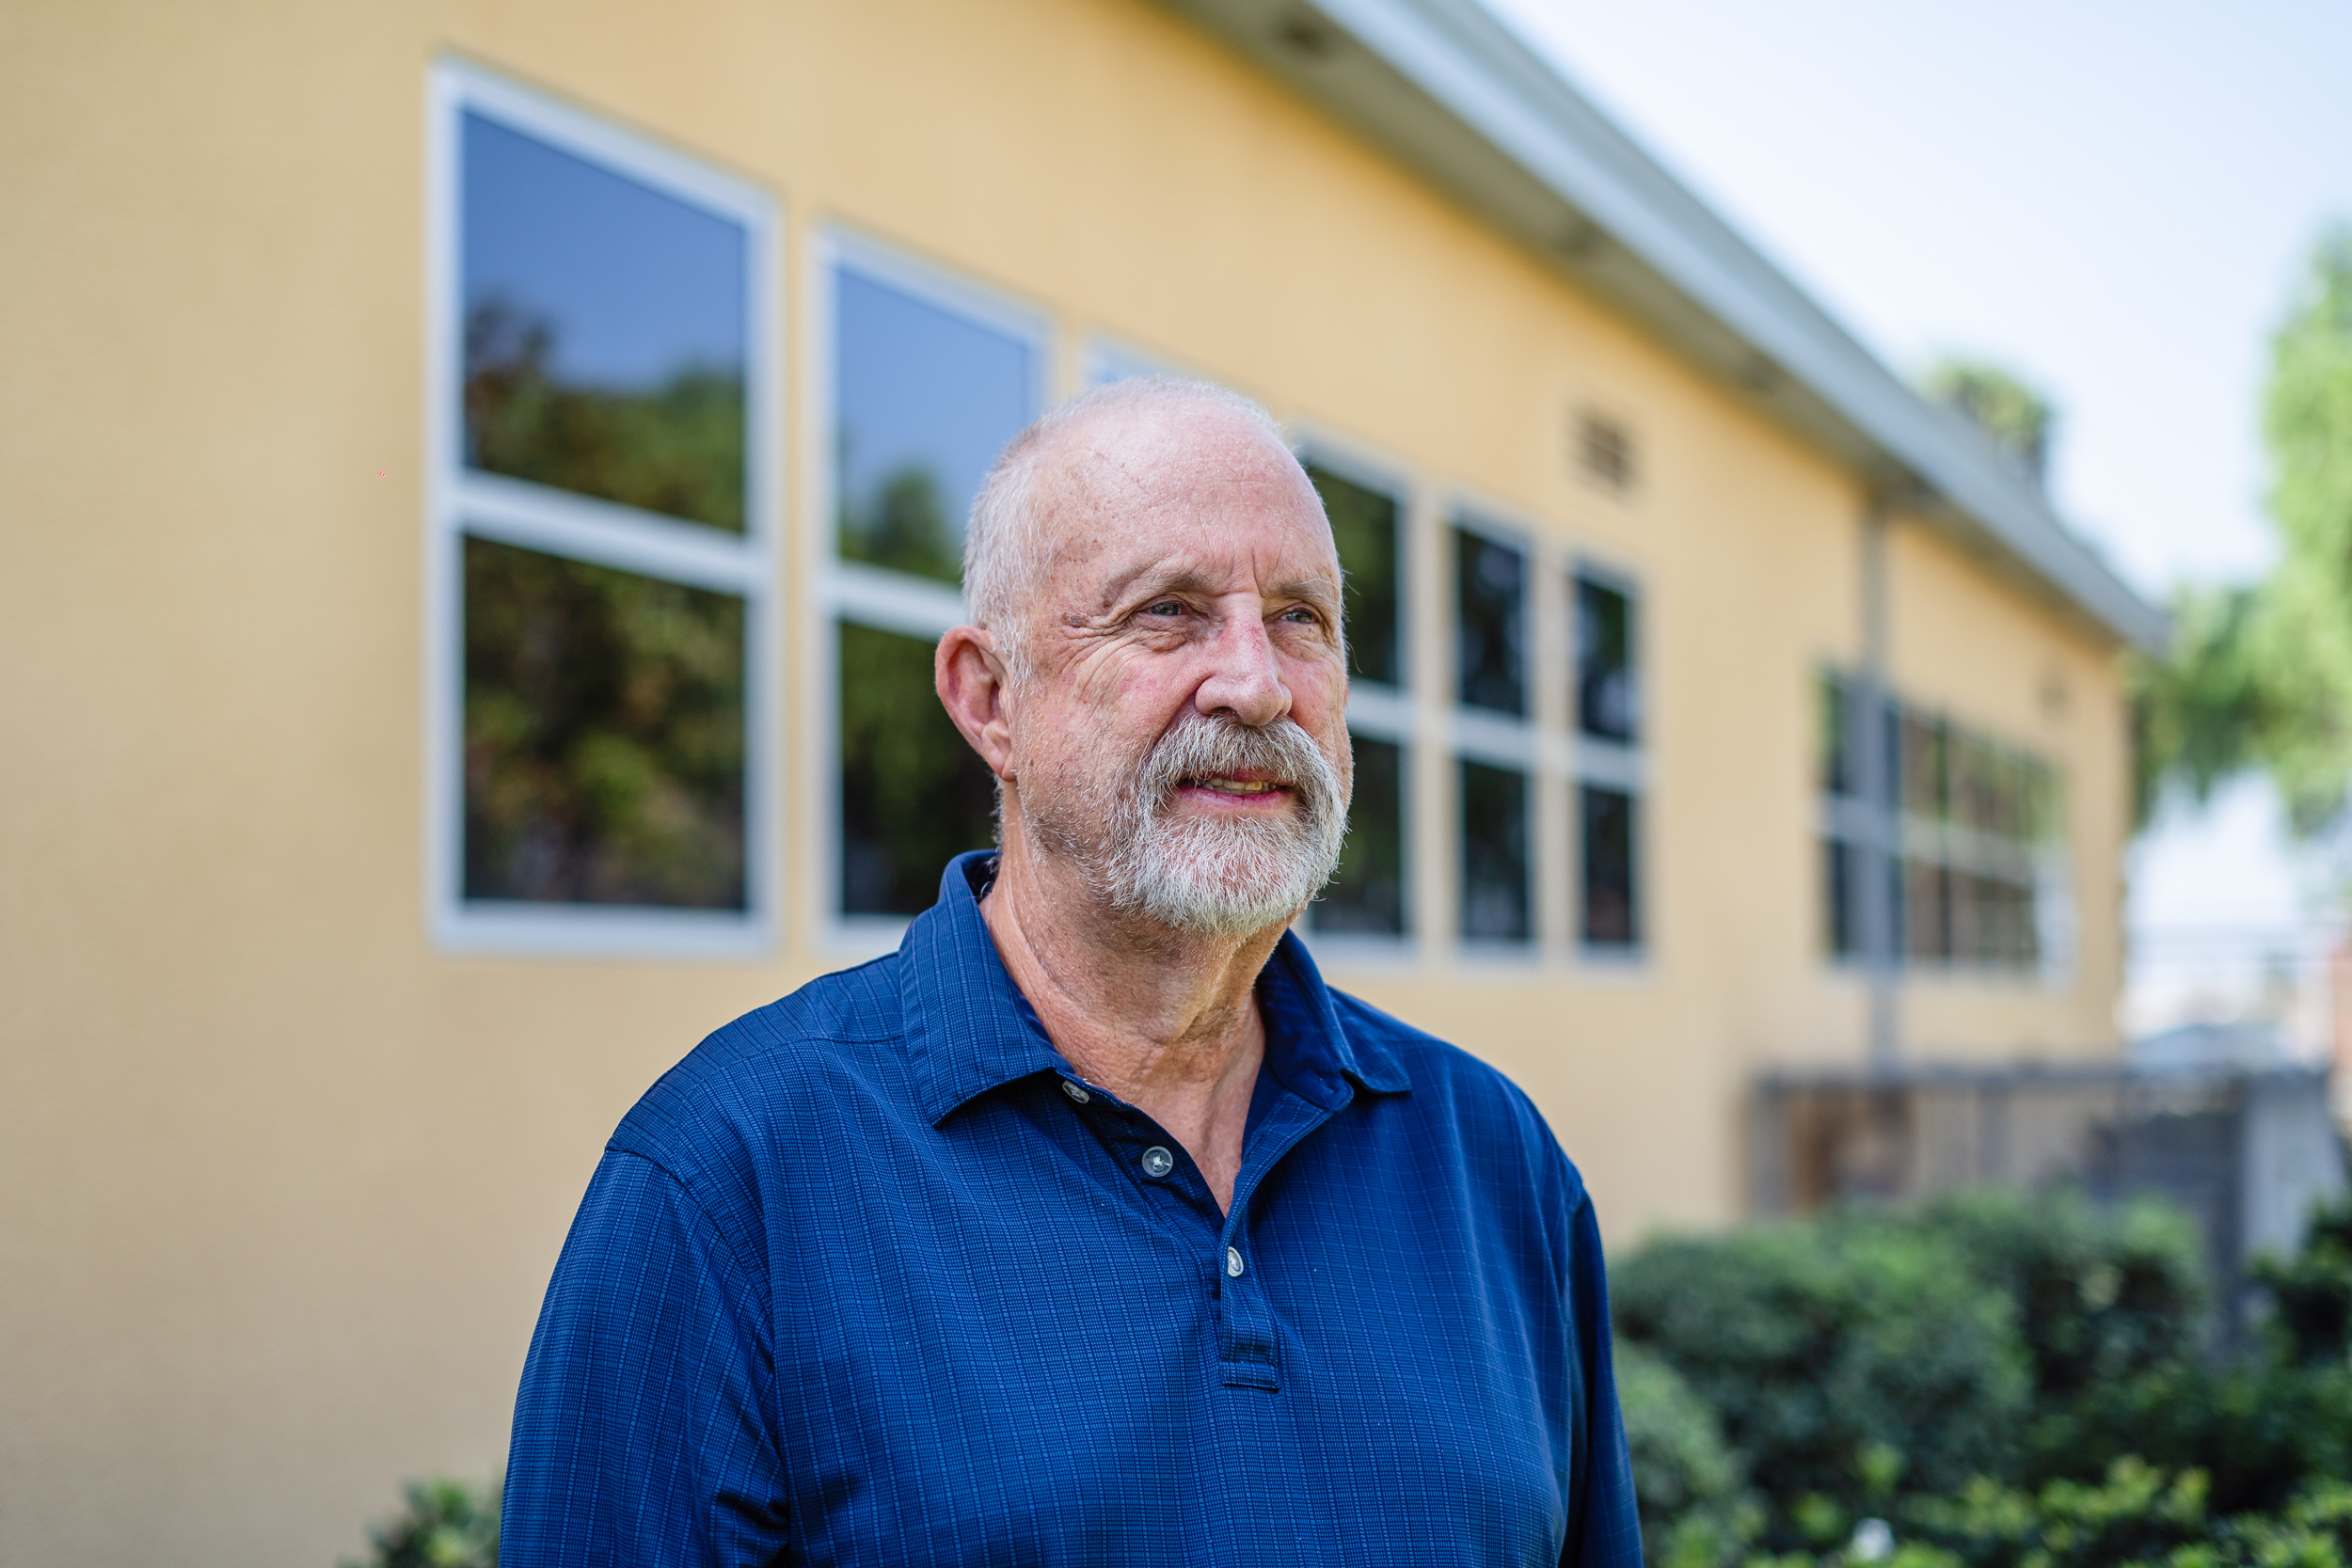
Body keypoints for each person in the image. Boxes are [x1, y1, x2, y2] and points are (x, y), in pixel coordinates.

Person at [502, 378, 1643, 1567]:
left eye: (1300, 617)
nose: (1256, 684)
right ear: (989, 697)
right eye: (1168, 612)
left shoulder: (1493, 1159)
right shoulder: (727, 1177)